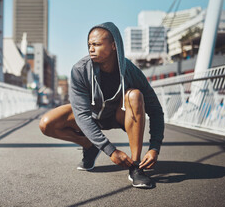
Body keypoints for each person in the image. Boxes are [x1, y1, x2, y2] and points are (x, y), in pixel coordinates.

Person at [39, 22, 164, 189]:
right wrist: (110, 150)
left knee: (135, 95)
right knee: (47, 123)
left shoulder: (131, 71)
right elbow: (82, 115)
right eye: (89, 45)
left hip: (119, 115)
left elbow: (155, 111)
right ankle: (89, 145)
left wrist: (154, 147)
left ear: (113, 46)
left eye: (97, 44)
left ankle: (136, 166)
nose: (91, 49)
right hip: (91, 115)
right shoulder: (80, 70)